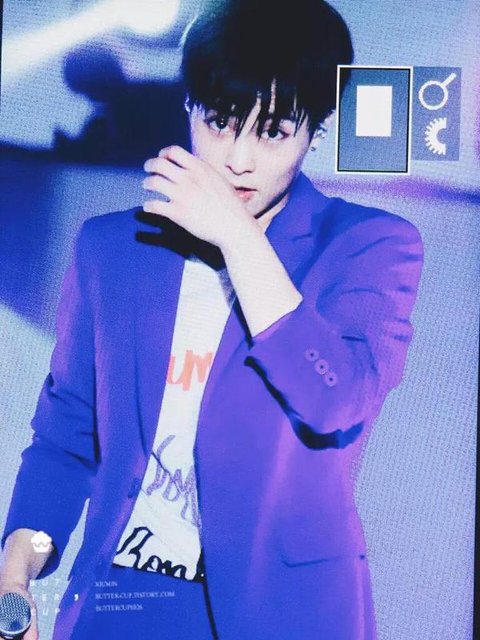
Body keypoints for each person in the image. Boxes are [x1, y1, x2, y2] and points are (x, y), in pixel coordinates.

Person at [0, 0, 424, 638]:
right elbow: (67, 437)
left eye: (273, 131)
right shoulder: (111, 249)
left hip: (281, 615)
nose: (239, 159)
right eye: (221, 122)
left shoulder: (369, 245)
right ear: (189, 108)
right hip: (123, 603)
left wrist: (238, 238)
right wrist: (17, 571)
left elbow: (336, 399)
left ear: (315, 131)